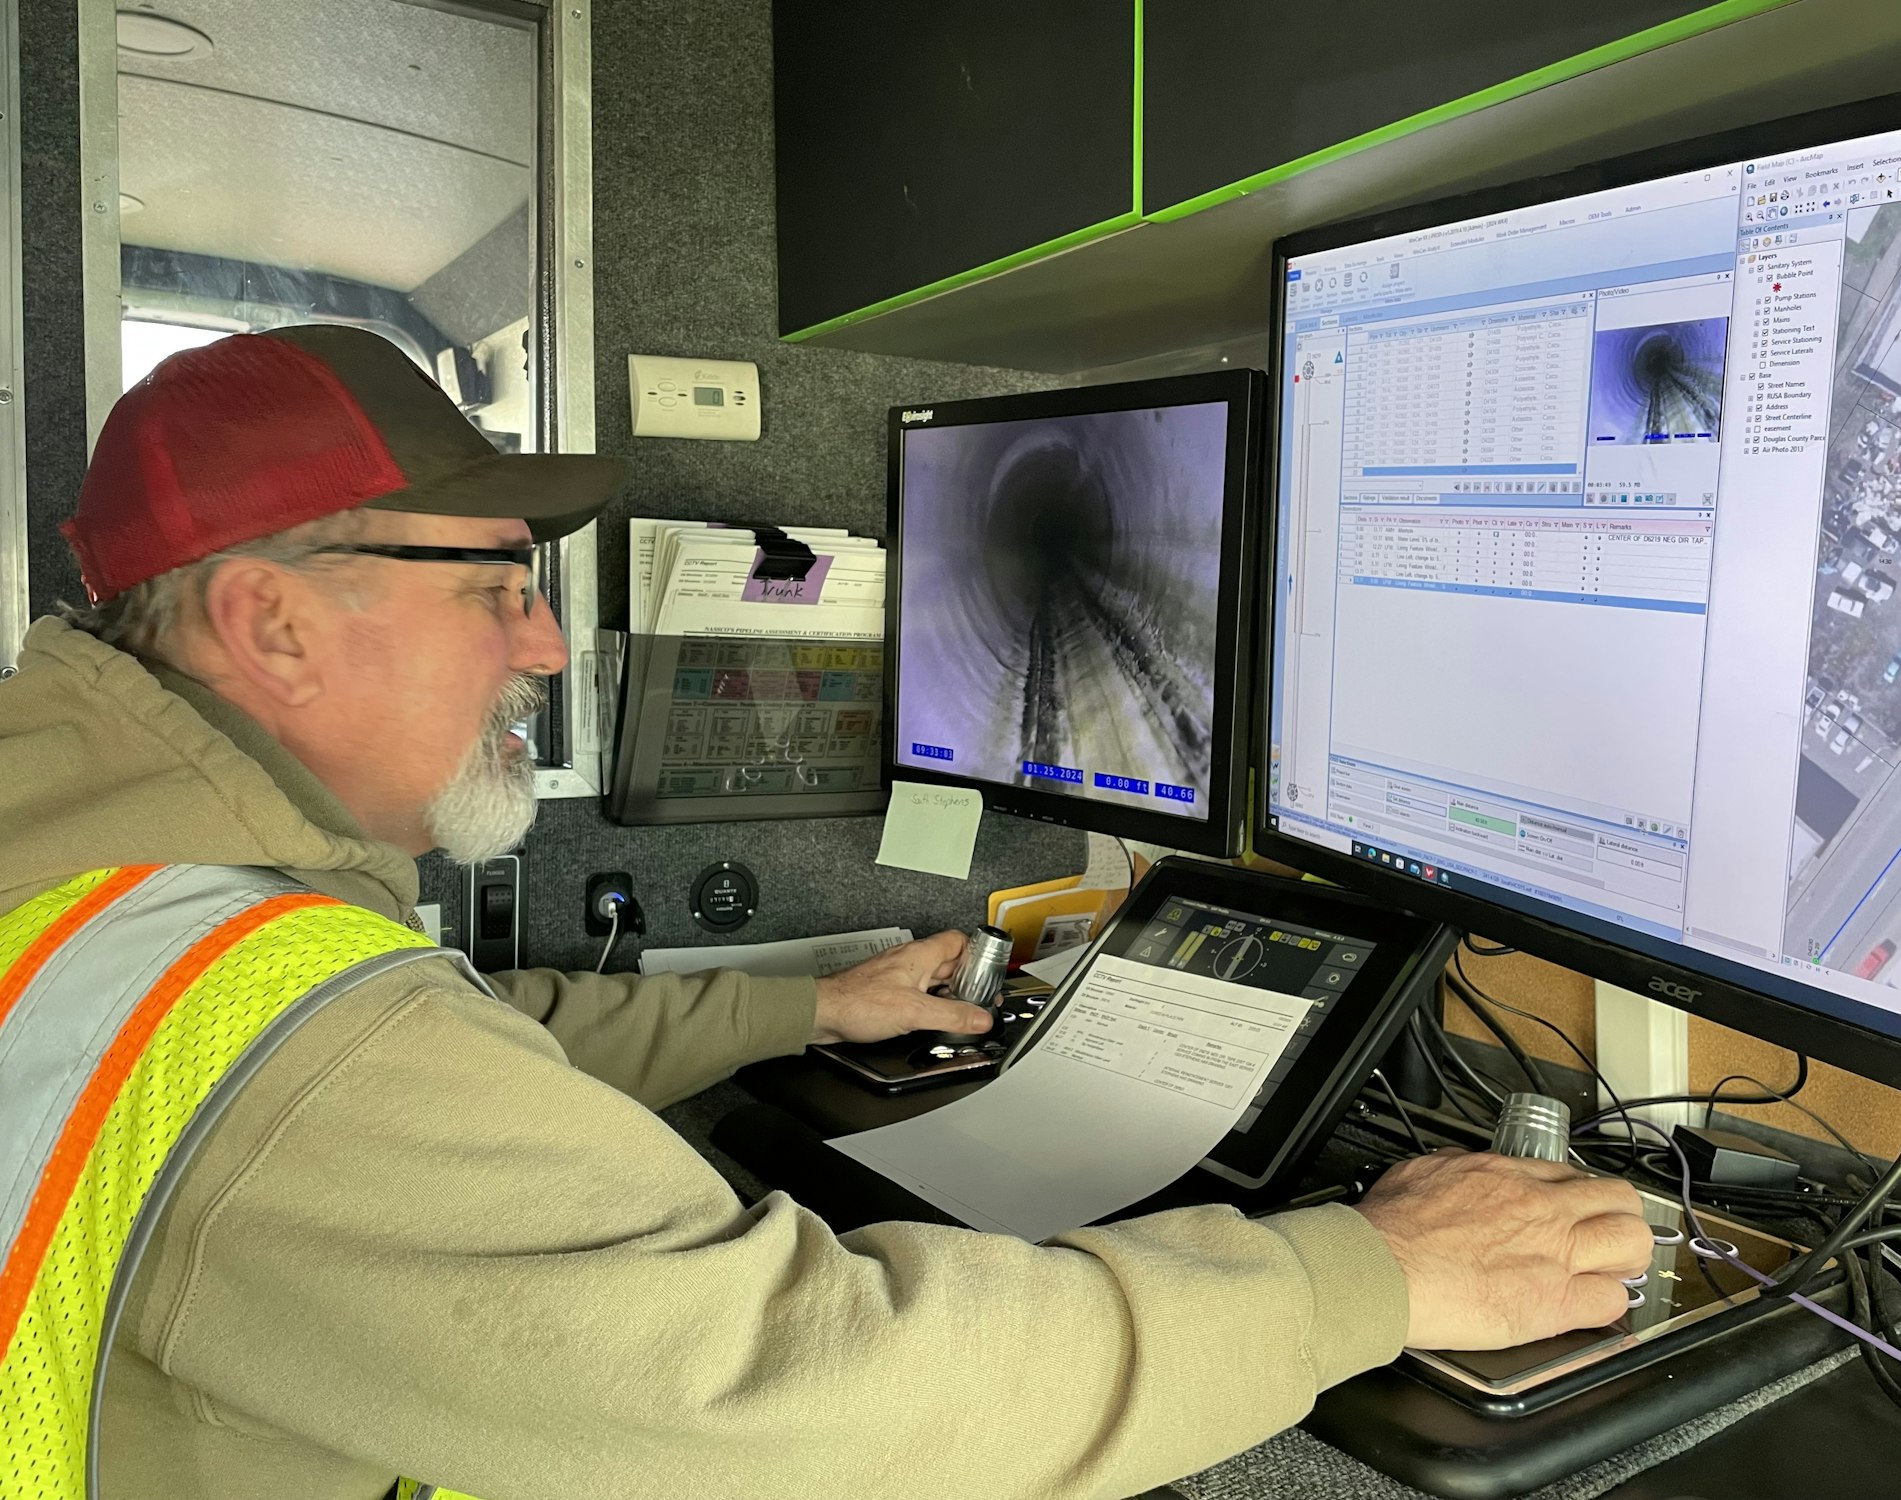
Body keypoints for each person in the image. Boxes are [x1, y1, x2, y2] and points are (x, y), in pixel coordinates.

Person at [0, 327, 1653, 1500]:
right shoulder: (287, 1054)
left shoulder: (106, 902)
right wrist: (1367, 1275)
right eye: (498, 586)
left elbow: (467, 1041)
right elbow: (814, 1399)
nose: (545, 646)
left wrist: (808, 1008)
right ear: (271, 622)